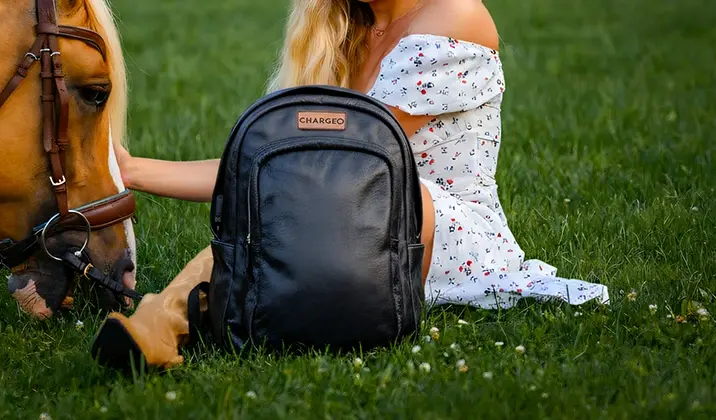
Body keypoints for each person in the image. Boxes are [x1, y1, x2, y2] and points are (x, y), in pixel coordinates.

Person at [90, 0, 610, 369]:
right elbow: (269, 166)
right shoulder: (340, 31)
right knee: (296, 209)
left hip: (442, 227)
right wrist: (132, 170)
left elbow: (333, 166)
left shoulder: (454, 15)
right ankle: (183, 318)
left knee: (331, 201)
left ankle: (163, 319)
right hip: (347, 218)